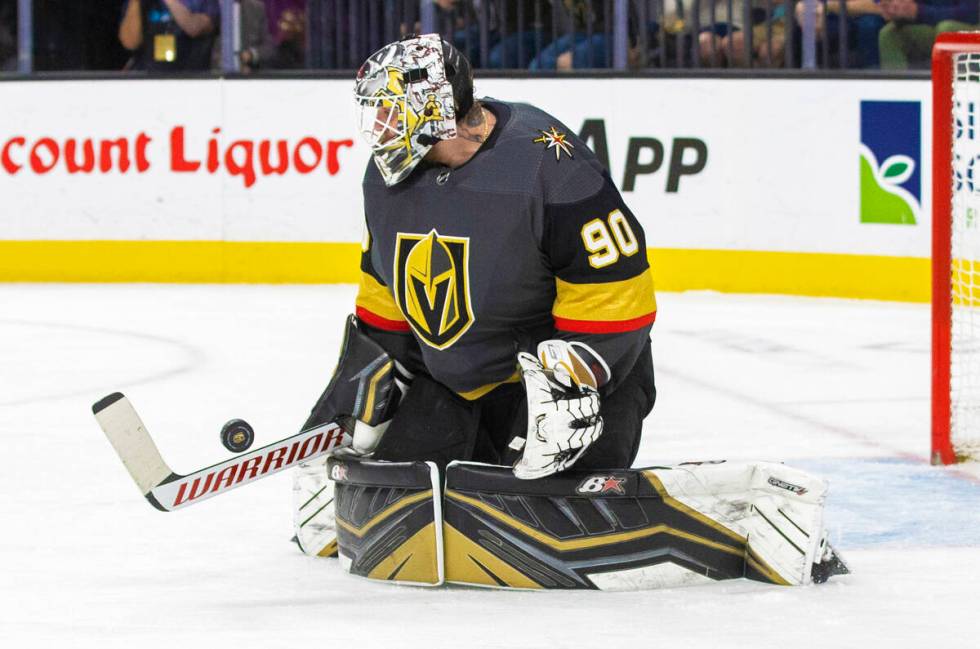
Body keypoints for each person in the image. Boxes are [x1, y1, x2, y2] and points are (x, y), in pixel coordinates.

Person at [346, 33, 657, 476]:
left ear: (434, 109)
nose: (380, 129)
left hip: (564, 389)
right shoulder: (383, 178)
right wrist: (371, 381)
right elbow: (383, 287)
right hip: (453, 383)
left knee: (550, 509)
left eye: (391, 113)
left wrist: (571, 377)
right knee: (388, 489)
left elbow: (616, 291)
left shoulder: (546, 163)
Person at [119, 0, 220, 71]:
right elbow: (130, 43)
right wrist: (135, 2)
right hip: (148, 77)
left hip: (189, 78)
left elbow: (194, 28)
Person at [877, 0, 978, 69]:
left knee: (946, 31)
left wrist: (918, 11)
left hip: (972, 26)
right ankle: (897, 92)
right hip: (932, 23)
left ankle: (949, 91)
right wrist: (895, 9)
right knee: (889, 34)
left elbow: (971, 13)